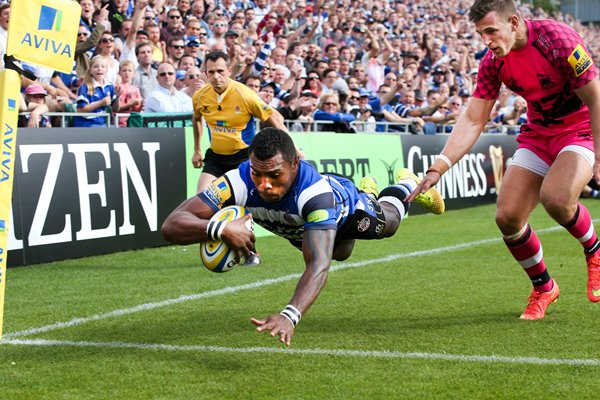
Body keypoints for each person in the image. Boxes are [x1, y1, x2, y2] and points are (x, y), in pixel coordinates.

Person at [161, 127, 445, 346]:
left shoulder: (314, 195)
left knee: (389, 224)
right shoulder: (238, 180)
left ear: (295, 163)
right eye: (258, 175)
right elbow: (172, 224)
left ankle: (405, 184)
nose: (264, 185)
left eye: (274, 175)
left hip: (345, 209)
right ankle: (368, 190)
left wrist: (289, 316)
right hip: (298, 227)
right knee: (342, 252)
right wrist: (220, 228)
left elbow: (318, 266)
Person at [408, 0, 600, 320]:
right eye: (480, 33)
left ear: (513, 23)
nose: (486, 41)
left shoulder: (559, 40)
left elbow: (596, 98)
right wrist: (438, 167)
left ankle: (594, 250)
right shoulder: (492, 62)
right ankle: (544, 287)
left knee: (556, 198)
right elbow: (473, 119)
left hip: (579, 131)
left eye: (491, 31)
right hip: (538, 135)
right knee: (507, 218)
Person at [191, 51, 287, 194]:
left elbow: (273, 119)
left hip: (244, 157)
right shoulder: (200, 96)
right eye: (211, 72)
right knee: (201, 198)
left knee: (251, 199)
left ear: (229, 71)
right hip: (216, 158)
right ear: (205, 73)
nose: (216, 76)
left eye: (220, 71)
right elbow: (197, 118)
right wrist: (197, 150)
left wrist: (293, 148)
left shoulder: (246, 95)